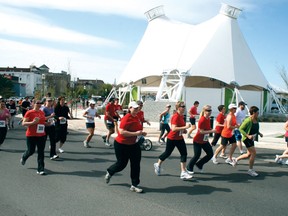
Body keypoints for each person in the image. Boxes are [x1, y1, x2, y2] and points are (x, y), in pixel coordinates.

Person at [105, 101, 147, 193]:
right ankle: (110, 171)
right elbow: (122, 132)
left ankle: (134, 185)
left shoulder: (137, 116)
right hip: (121, 144)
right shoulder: (126, 118)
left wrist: (141, 133)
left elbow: (137, 129)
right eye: (135, 108)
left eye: (138, 108)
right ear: (130, 108)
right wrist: (136, 133)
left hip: (133, 144)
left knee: (136, 164)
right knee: (122, 164)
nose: (137, 109)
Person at [153, 101, 193, 180]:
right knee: (167, 153)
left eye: (184, 106)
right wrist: (185, 127)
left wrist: (184, 130)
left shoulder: (181, 116)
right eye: (182, 106)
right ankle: (158, 164)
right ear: (178, 108)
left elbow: (180, 127)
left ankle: (183, 172)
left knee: (184, 153)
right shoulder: (175, 116)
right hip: (172, 138)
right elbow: (174, 128)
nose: (184, 108)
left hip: (179, 138)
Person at [20, 100, 50, 175]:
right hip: (31, 135)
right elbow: (23, 123)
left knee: (41, 152)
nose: (39, 104)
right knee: (31, 151)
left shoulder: (42, 112)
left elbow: (42, 123)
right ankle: (24, 157)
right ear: (33, 104)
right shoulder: (29, 112)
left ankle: (40, 169)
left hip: (41, 135)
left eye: (40, 103)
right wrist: (32, 122)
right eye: (37, 103)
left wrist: (48, 123)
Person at [233, 106, 263, 176]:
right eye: (257, 112)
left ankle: (236, 159)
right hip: (247, 139)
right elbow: (240, 129)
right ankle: (250, 170)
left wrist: (259, 133)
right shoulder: (248, 120)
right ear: (253, 113)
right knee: (254, 153)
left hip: (252, 139)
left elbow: (255, 128)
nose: (258, 113)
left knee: (248, 154)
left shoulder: (256, 119)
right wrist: (247, 135)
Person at [187, 105, 216, 173]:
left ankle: (199, 164)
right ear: (204, 111)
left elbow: (207, 129)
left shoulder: (208, 118)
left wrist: (212, 130)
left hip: (204, 140)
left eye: (210, 110)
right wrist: (212, 131)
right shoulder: (202, 119)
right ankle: (189, 167)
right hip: (198, 140)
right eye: (208, 111)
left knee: (210, 154)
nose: (210, 112)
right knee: (197, 155)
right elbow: (201, 131)